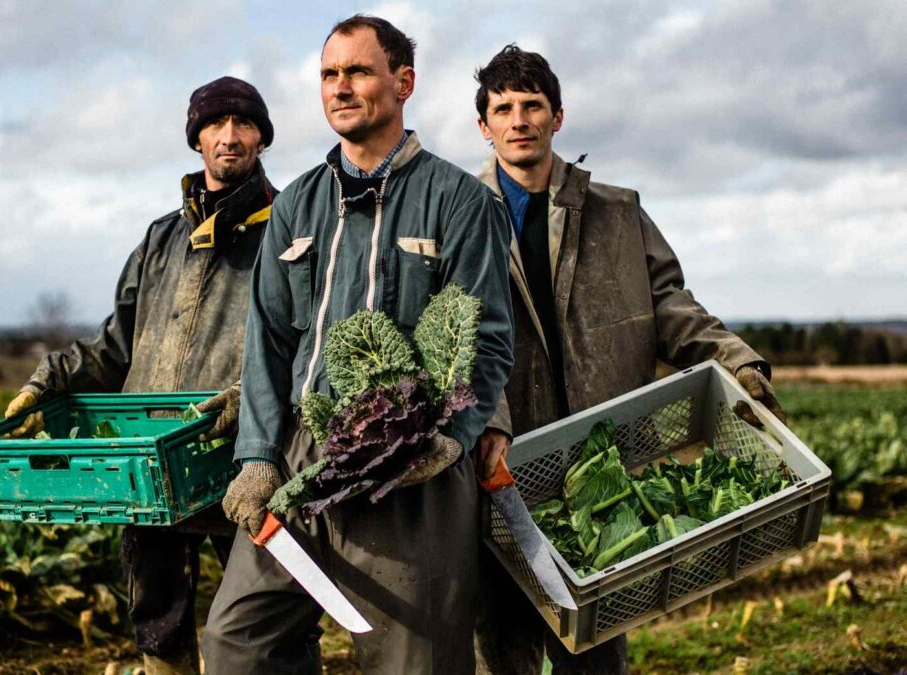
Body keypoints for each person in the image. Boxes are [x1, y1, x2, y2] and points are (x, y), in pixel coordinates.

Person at [202, 15, 514, 675]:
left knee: (414, 662)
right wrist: (257, 455)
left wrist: (449, 435)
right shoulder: (299, 205)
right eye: (328, 75)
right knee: (238, 645)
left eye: (358, 72)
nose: (340, 87)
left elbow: (486, 341)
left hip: (408, 472)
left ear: (404, 83)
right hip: (301, 460)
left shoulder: (458, 200)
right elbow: (268, 337)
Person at [469, 45, 786, 675]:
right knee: (502, 644)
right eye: (503, 108)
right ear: (484, 126)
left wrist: (738, 363)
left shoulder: (616, 210)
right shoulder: (457, 214)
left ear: (558, 116)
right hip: (502, 463)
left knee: (595, 647)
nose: (519, 120)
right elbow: (452, 337)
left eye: (532, 105)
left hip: (603, 461)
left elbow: (672, 304)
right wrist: (487, 419)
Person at [2, 76, 279, 675]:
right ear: (196, 138)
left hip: (237, 456)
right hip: (146, 464)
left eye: (243, 124)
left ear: (261, 137)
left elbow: (301, 343)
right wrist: (50, 379)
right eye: (215, 124)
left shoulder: (283, 230)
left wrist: (248, 400)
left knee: (261, 622)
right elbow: (115, 343)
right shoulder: (161, 238)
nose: (229, 136)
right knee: (158, 617)